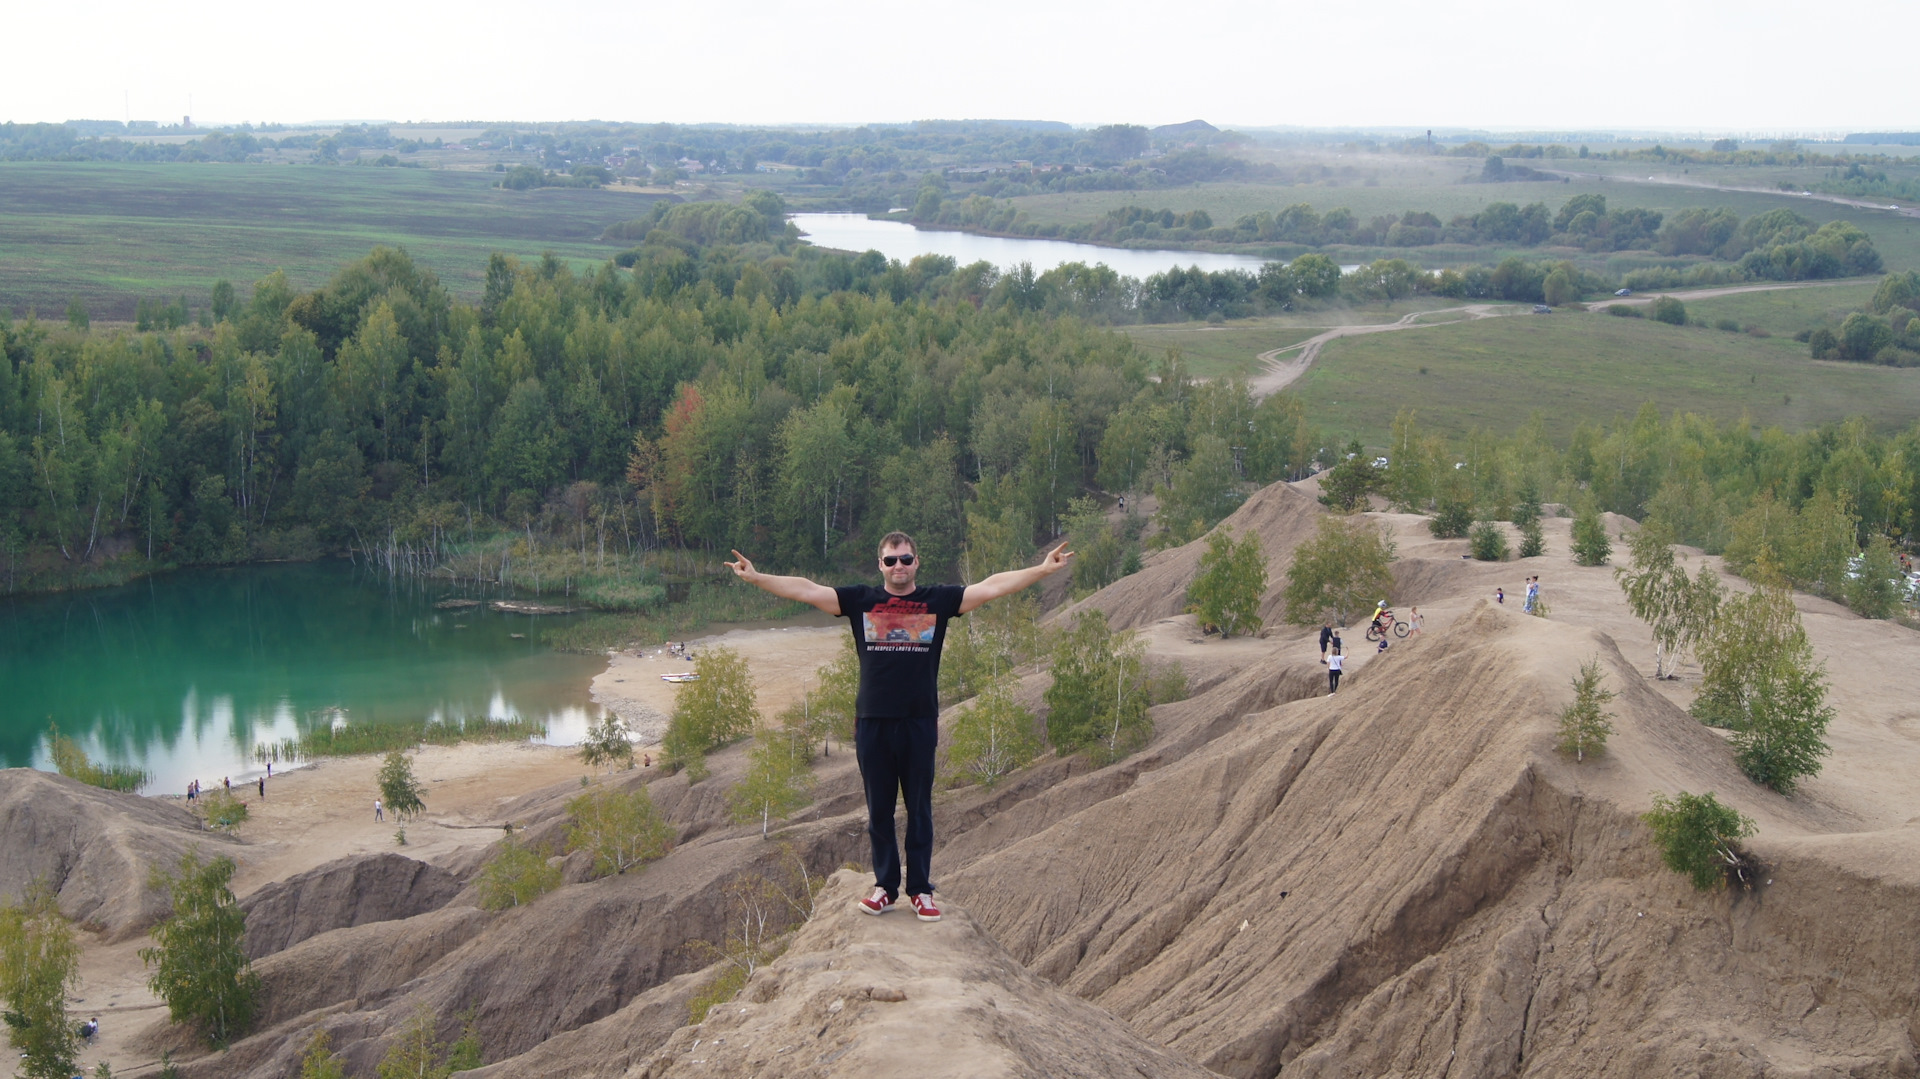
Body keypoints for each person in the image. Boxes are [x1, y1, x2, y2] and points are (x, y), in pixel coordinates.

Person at [727, 531, 1073, 923]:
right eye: (891, 561)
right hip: (873, 722)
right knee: (879, 811)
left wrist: (1043, 570)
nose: (899, 567)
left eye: (905, 560)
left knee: (920, 810)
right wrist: (757, 578)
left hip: (919, 721)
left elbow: (991, 586)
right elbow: (807, 589)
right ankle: (885, 888)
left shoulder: (938, 601)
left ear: (916, 562)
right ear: (881, 565)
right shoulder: (860, 600)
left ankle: (921, 890)